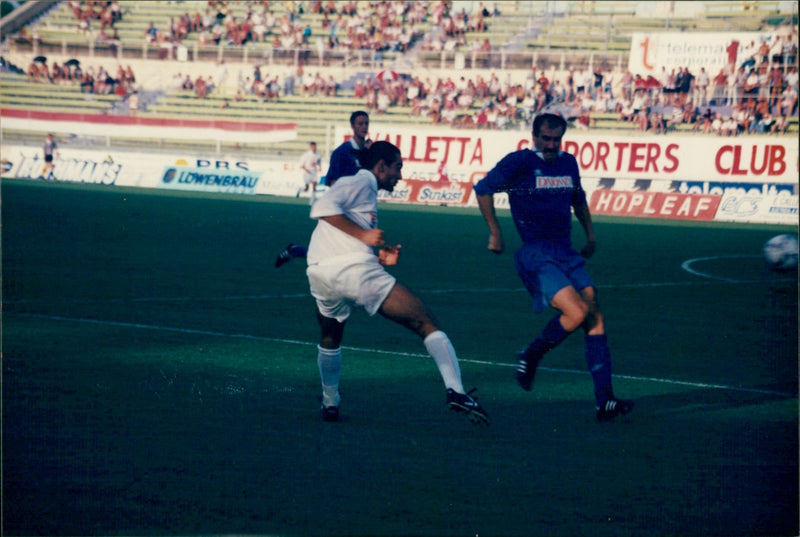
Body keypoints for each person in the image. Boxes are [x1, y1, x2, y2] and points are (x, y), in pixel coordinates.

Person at [306, 141, 489, 424]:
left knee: (331, 337)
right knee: (426, 322)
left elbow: (342, 233)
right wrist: (364, 236)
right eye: (397, 168)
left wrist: (379, 257)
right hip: (352, 273)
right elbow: (322, 206)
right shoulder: (362, 181)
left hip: (321, 272)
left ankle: (330, 403)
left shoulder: (363, 189)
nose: (400, 175)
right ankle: (456, 391)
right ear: (380, 166)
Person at [473, 113, 633, 422]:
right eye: (545, 138)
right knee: (577, 312)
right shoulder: (519, 162)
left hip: (565, 252)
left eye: (556, 139)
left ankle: (605, 400)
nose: (550, 144)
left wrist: (590, 233)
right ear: (534, 136)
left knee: (595, 316)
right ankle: (531, 354)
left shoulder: (568, 162)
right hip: (536, 253)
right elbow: (482, 189)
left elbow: (578, 199)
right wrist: (495, 231)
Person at [275, 111, 371, 268]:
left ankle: (294, 251)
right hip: (342, 209)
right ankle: (295, 251)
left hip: (360, 209)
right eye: (360, 123)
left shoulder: (368, 153)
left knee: (337, 253)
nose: (364, 127)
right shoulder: (342, 152)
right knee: (339, 253)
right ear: (352, 126)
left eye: (366, 123)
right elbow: (332, 181)